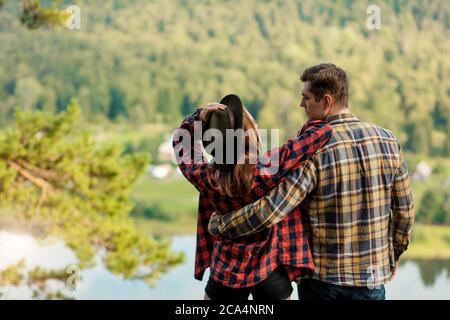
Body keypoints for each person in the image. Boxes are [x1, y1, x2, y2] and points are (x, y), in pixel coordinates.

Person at [208, 64, 415, 300]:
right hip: (372, 280)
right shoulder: (389, 141)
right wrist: (393, 255)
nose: (301, 104)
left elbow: (272, 209)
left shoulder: (314, 148)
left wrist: (221, 225)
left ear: (326, 101)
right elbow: (404, 213)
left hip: (322, 283)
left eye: (306, 98)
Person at [173, 94, 332, 300]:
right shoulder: (266, 171)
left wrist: (198, 117)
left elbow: (181, 143)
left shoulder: (207, 177)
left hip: (225, 272)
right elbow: (321, 133)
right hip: (269, 271)